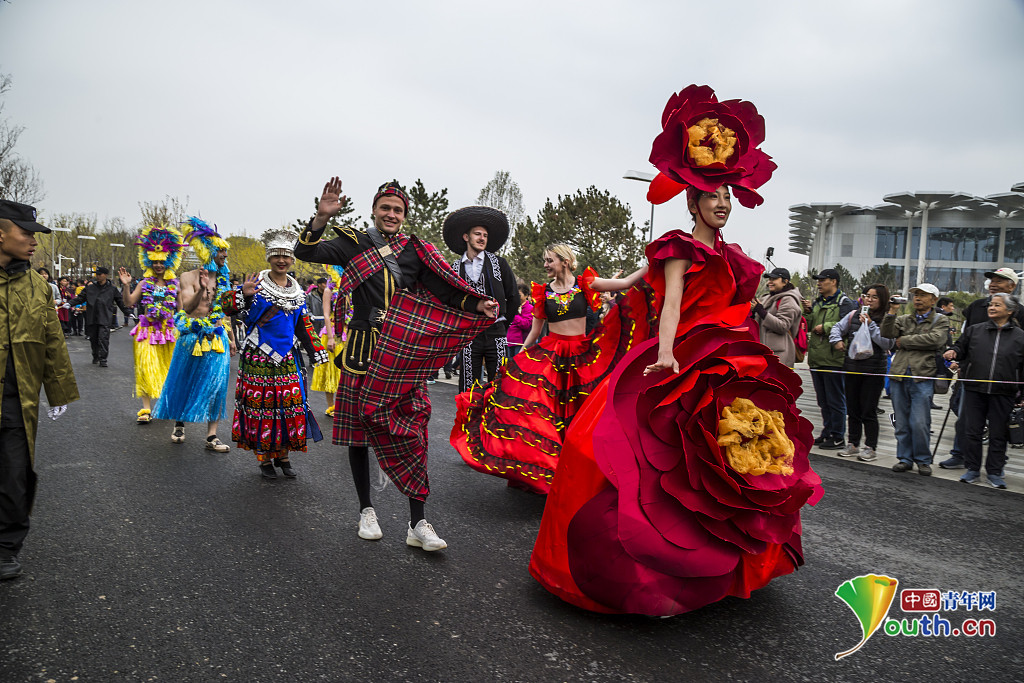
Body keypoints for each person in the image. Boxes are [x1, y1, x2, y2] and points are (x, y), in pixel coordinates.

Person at [529, 83, 821, 616]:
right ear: (694, 201)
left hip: (730, 358)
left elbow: (644, 284)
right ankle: (646, 573)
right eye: (715, 197)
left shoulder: (733, 255)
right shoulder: (677, 248)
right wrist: (663, 351)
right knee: (616, 451)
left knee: (736, 457)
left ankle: (732, 568)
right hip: (682, 355)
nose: (724, 204)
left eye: (728, 197)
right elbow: (664, 301)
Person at [294, 178, 498, 552]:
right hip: (361, 349)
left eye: (398, 210)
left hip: (404, 352)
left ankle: (417, 521)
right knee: (358, 432)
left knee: (414, 432)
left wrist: (475, 305)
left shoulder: (415, 251)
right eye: (385, 207)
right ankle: (366, 511)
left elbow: (446, 290)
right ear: (374, 210)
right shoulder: (353, 243)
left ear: (404, 216)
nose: (391, 214)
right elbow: (306, 252)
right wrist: (321, 216)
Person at [450, 244, 647, 494]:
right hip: (550, 356)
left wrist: (652, 264)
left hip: (581, 356)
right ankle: (546, 471)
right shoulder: (542, 292)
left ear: (565, 261)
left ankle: (577, 472)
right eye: (544, 260)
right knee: (545, 415)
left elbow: (626, 282)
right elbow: (535, 330)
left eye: (549, 260)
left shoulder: (586, 283)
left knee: (579, 414)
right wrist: (519, 358)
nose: (545, 264)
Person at [0, 200, 79, 580]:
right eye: (26, 233)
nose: (33, 242)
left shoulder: (37, 286)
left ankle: (6, 547)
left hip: (16, 399)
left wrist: (59, 392)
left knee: (15, 474)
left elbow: (52, 340)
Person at [222, 233, 328, 479]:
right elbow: (226, 306)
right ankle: (264, 459)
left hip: (288, 358)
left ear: (292, 258)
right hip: (258, 357)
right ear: (270, 257)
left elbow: (303, 324)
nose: (282, 260)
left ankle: (284, 455)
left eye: (286, 255)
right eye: (277, 255)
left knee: (290, 406)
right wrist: (243, 295)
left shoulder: (296, 289)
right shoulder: (255, 284)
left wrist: (316, 351)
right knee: (262, 408)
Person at [151, 217, 234, 452]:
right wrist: (202, 288)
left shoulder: (225, 280)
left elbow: (224, 314)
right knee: (184, 380)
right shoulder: (187, 277)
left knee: (217, 385)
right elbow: (187, 308)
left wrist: (231, 337)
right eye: (220, 252)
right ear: (208, 251)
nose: (224, 256)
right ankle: (179, 423)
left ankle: (211, 436)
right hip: (191, 337)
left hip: (216, 338)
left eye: (225, 252)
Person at [940, 267, 1024, 469]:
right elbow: (963, 338)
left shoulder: (1021, 313)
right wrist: (956, 354)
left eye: (1000, 281)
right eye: (992, 280)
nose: (993, 284)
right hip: (972, 377)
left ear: (1012, 286)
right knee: (966, 422)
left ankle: (996, 464)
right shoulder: (976, 307)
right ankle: (960, 455)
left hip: (1004, 382)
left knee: (999, 427)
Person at [443, 207, 520, 392]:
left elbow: (513, 297)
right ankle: (469, 421)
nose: (482, 238)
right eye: (477, 234)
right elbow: (451, 301)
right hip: (469, 334)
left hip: (497, 331)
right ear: (466, 237)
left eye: (485, 235)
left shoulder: (499, 264)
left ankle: (496, 421)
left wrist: (502, 323)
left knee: (500, 384)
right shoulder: (454, 268)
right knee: (468, 385)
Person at [118, 225, 185, 424]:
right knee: (146, 368)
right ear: (149, 261)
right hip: (146, 331)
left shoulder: (176, 284)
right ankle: (146, 409)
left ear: (169, 261)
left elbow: (181, 311)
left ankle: (166, 405)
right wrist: (126, 285)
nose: (158, 265)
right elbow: (129, 302)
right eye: (154, 261)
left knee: (170, 370)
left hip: (168, 332)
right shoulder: (144, 284)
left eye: (162, 261)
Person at [881, 283, 951, 476]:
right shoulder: (903, 319)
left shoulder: (941, 320)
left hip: (923, 376)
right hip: (899, 375)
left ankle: (922, 459)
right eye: (915, 295)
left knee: (920, 422)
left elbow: (936, 340)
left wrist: (904, 341)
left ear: (934, 299)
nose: (918, 298)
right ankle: (904, 458)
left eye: (923, 295)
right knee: (901, 421)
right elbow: (886, 333)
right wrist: (892, 311)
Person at [828, 284, 894, 461]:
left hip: (873, 371)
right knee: (853, 409)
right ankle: (853, 443)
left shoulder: (887, 319)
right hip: (852, 368)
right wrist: (836, 340)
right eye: (866, 296)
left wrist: (871, 325)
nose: (869, 300)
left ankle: (870, 447)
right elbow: (837, 328)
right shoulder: (853, 315)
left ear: (882, 300)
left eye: (874, 297)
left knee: (868, 410)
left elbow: (887, 343)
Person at [802, 268, 856, 449]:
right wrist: (808, 312)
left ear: (833, 281)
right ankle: (827, 431)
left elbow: (849, 324)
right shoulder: (818, 302)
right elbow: (809, 326)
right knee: (823, 400)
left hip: (834, 359)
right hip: (817, 358)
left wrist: (825, 326)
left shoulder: (844, 303)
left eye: (822, 280)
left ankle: (838, 435)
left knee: (835, 400)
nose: (818, 283)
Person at [67, 266, 131, 367]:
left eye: (99, 274)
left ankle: (103, 359)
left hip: (105, 316)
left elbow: (120, 301)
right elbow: (80, 298)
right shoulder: (90, 288)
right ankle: (95, 355)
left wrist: (127, 312)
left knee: (104, 338)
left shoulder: (112, 289)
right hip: (92, 316)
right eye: (96, 274)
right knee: (93, 338)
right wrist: (70, 303)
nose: (97, 276)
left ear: (105, 275)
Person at [310, 268, 345, 415]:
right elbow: (325, 314)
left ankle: (346, 407)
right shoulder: (329, 291)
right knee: (330, 371)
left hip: (349, 333)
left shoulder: (352, 289)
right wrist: (330, 337)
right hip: (332, 332)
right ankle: (331, 406)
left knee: (346, 374)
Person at [752, 267, 803, 367]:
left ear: (785, 281)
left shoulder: (788, 300)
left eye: (774, 279)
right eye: (769, 279)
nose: (769, 282)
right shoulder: (766, 297)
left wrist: (761, 311)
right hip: (763, 352)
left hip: (779, 355)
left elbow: (783, 326)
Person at [506, 282, 533, 357]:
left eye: (519, 295)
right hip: (509, 342)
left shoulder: (530, 308)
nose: (516, 297)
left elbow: (526, 325)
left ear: (526, 295)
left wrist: (514, 315)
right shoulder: (512, 307)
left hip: (521, 343)